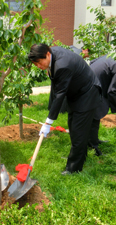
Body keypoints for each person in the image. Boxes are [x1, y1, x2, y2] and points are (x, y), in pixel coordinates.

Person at [28, 44, 101, 175]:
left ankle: (73, 168)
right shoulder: (52, 54)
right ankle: (78, 156)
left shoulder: (63, 66)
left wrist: (49, 122)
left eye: (39, 62)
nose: (38, 66)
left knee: (79, 131)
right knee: (73, 126)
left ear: (47, 55)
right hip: (76, 92)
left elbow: (60, 94)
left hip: (87, 93)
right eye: (35, 64)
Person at [88, 55, 116, 155]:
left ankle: (94, 140)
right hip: (93, 88)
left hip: (92, 82)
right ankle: (93, 147)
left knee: (95, 116)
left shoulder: (111, 56)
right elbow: (112, 91)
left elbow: (93, 61)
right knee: (94, 117)